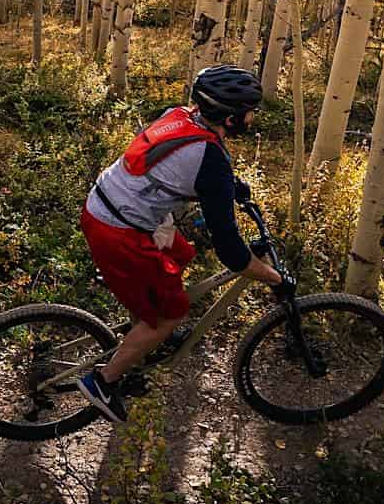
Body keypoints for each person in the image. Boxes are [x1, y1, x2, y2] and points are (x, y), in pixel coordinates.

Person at [74, 64, 288, 422]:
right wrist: (275, 279)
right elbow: (233, 254)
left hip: (108, 204)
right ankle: (103, 381)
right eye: (250, 112)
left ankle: (143, 324)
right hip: (118, 230)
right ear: (232, 118)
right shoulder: (212, 161)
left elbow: (179, 165)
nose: (253, 119)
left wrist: (230, 189)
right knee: (170, 315)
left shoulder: (182, 115)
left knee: (180, 253)